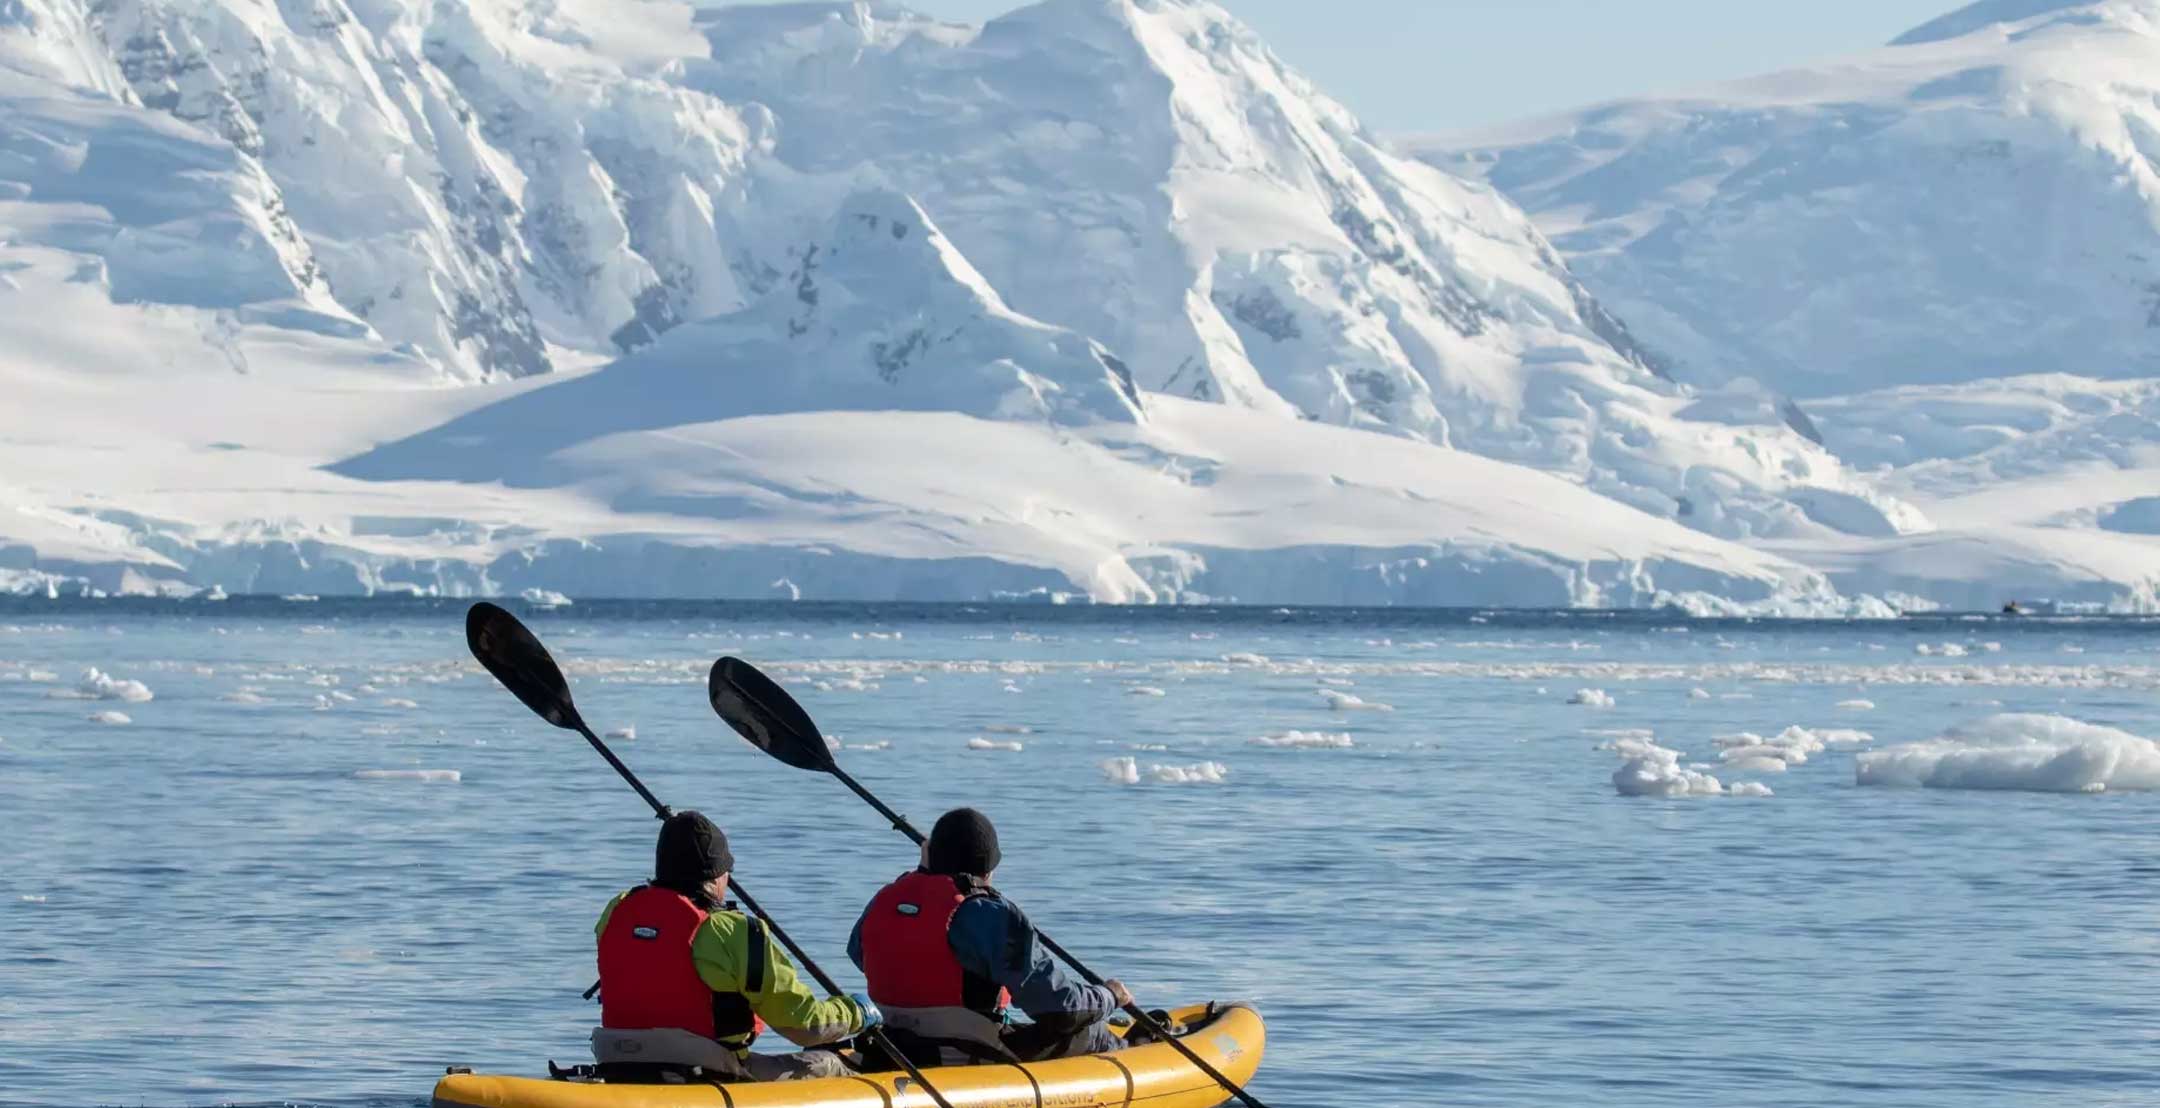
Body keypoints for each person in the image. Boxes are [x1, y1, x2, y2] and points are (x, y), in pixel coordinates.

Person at [592, 810, 880, 1083]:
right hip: (707, 1072)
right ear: (718, 875)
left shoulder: (617, 910)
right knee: (828, 1063)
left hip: (618, 1062)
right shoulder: (732, 931)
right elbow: (805, 1027)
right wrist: (858, 1012)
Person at [848, 808, 1135, 1067]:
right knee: (1092, 1031)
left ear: (928, 855)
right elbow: (1060, 1010)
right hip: (965, 1052)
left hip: (893, 1043)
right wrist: (1109, 995)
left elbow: (859, 954)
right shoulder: (988, 914)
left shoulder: (885, 898)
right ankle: (1141, 1053)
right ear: (989, 869)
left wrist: (924, 873)